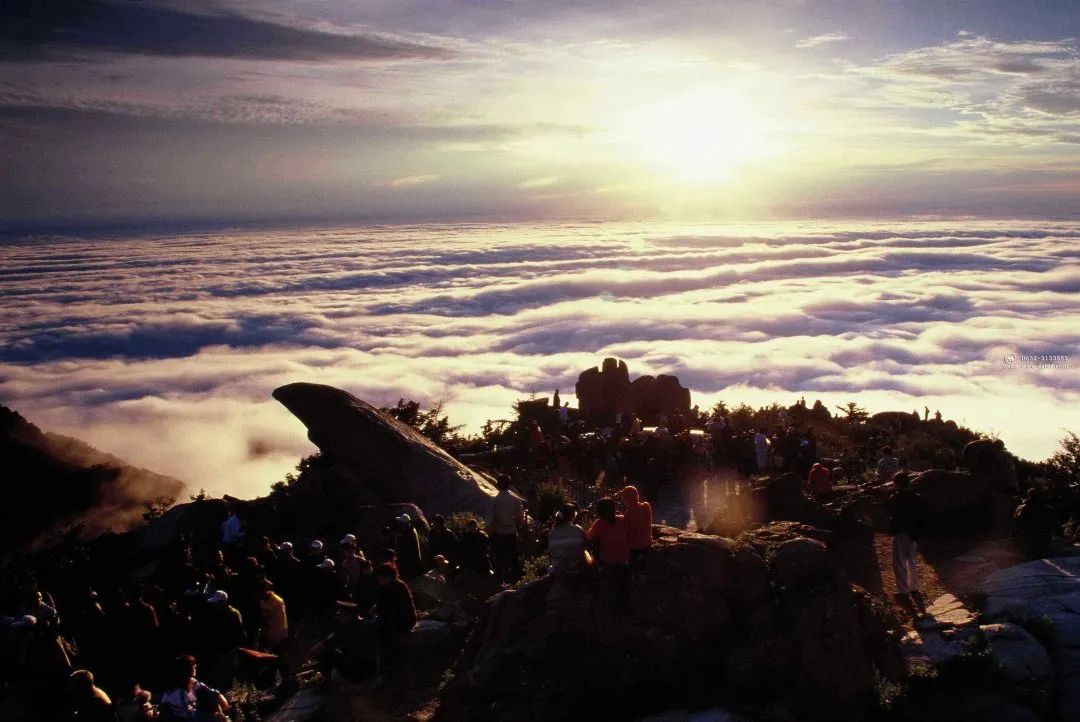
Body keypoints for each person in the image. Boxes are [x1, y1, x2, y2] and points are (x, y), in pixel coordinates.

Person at [886, 472, 925, 610]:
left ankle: (903, 590)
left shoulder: (895, 498)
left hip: (900, 531)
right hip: (913, 533)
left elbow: (891, 514)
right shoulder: (917, 497)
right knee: (912, 561)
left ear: (898, 484)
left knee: (899, 562)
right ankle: (914, 587)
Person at [586, 497, 631, 606]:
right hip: (624, 561)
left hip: (607, 563)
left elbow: (588, 537)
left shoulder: (600, 523)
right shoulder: (622, 519)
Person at [373, 564, 417, 673]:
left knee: (385, 633)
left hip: (404, 620)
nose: (379, 579)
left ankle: (395, 664)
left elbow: (399, 610)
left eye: (381, 577)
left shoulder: (399, 587)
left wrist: (382, 618)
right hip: (392, 618)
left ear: (388, 577)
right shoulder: (384, 587)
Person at [160, 655, 227, 721]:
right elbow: (187, 715)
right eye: (192, 664)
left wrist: (218, 695)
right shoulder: (175, 692)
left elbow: (209, 691)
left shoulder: (192, 682)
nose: (195, 666)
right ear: (185, 669)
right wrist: (212, 716)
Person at [488, 475, 526, 584]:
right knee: (513, 558)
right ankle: (516, 582)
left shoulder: (494, 500)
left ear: (498, 485)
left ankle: (499, 582)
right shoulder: (515, 500)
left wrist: (490, 533)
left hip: (499, 533)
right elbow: (520, 518)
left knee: (499, 560)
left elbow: (490, 519)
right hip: (512, 532)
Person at [1013, 486, 1057, 558]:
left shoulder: (1022, 508)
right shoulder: (1047, 509)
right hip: (1034, 539)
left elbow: (1016, 522)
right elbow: (1054, 524)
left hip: (1034, 539)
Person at [547, 503, 587, 575]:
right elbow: (586, 545)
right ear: (573, 516)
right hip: (576, 570)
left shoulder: (551, 532)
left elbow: (552, 552)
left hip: (558, 570)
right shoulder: (578, 530)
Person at [620, 485, 652, 570]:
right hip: (647, 543)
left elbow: (626, 532)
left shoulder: (627, 514)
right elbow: (648, 521)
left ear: (625, 500)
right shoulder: (646, 506)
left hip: (634, 547)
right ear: (637, 495)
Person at [258, 580, 288, 650]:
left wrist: (276, 640)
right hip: (267, 634)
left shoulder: (277, 602)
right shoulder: (262, 600)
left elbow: (281, 623)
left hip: (277, 637)